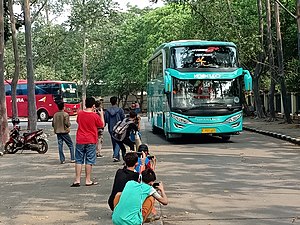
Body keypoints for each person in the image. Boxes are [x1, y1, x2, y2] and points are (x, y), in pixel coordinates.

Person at [71, 97, 104, 187]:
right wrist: (101, 115)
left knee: (78, 160)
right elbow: (101, 125)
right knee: (89, 160)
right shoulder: (95, 116)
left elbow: (78, 122)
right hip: (91, 140)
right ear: (93, 105)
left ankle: (77, 180)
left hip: (80, 139)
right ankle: (87, 180)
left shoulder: (80, 114)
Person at [105, 96, 125, 162]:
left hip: (111, 128)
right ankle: (116, 155)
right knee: (119, 141)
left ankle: (117, 156)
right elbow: (123, 119)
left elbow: (106, 120)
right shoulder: (120, 110)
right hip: (119, 128)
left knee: (114, 142)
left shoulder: (107, 111)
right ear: (116, 102)